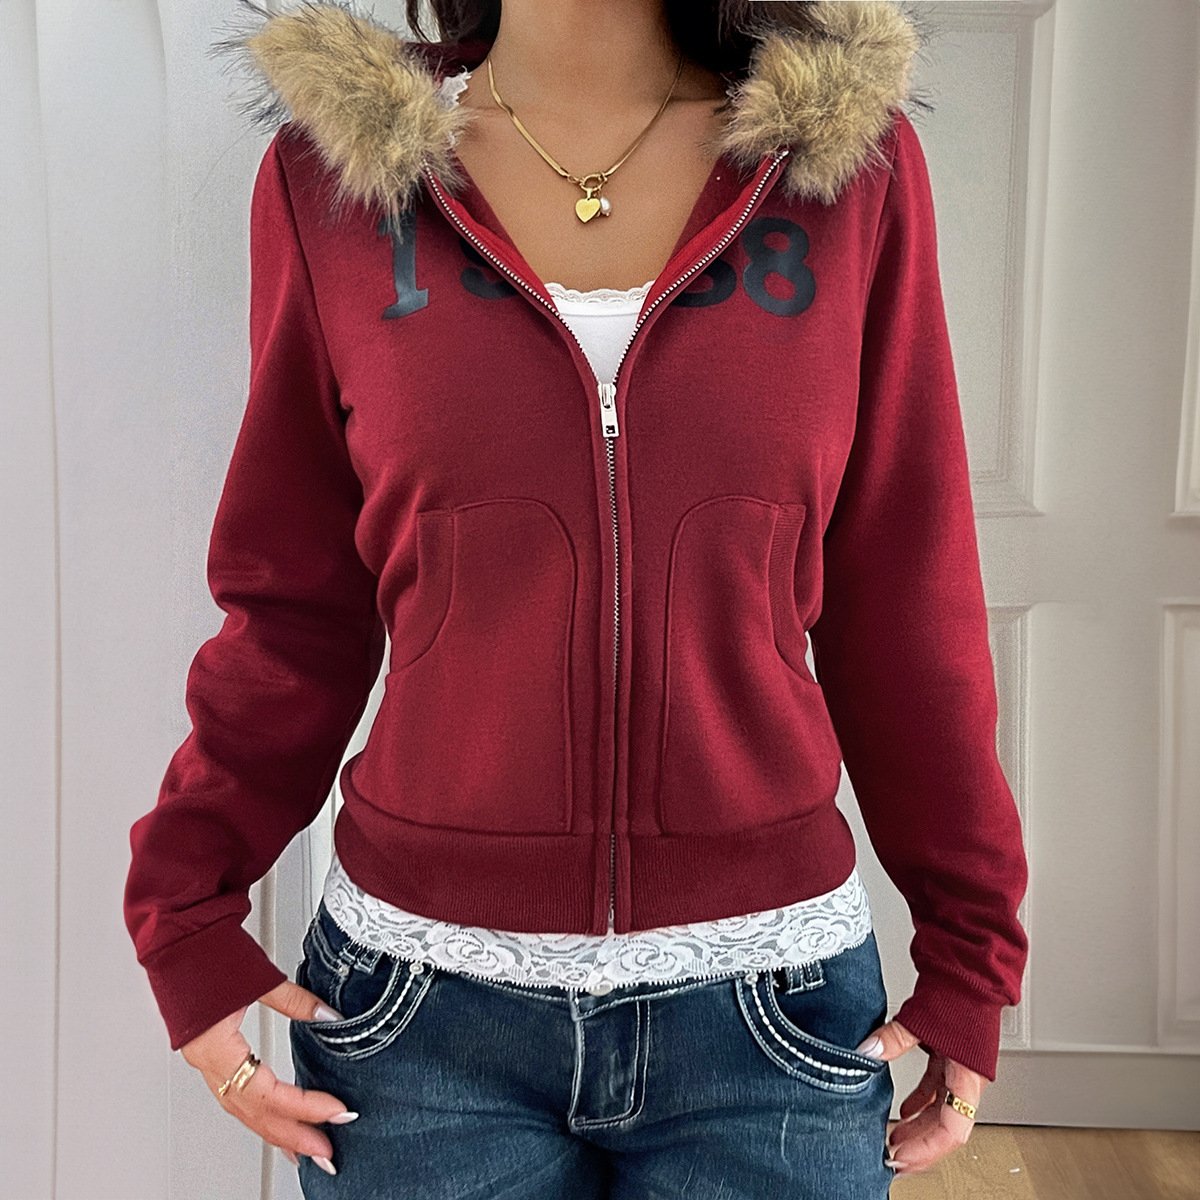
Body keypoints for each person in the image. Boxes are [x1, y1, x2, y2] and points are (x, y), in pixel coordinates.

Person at [123, 0, 1030, 1195]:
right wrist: (185, 911)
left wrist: (972, 949)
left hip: (773, 1012)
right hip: (418, 1023)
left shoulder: (843, 170)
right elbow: (292, 607)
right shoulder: (336, 177)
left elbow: (906, 598)